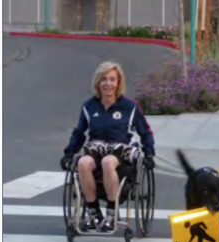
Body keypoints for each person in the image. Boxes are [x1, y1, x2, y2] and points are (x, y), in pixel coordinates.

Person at [60, 61, 155, 231]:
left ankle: (112, 212)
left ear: (118, 83)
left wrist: (149, 153)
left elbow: (145, 132)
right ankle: (93, 211)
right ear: (98, 82)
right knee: (83, 163)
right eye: (104, 79)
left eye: (112, 79)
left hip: (122, 150)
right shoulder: (89, 106)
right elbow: (79, 133)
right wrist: (69, 152)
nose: (108, 84)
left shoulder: (130, 107)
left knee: (108, 162)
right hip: (96, 148)